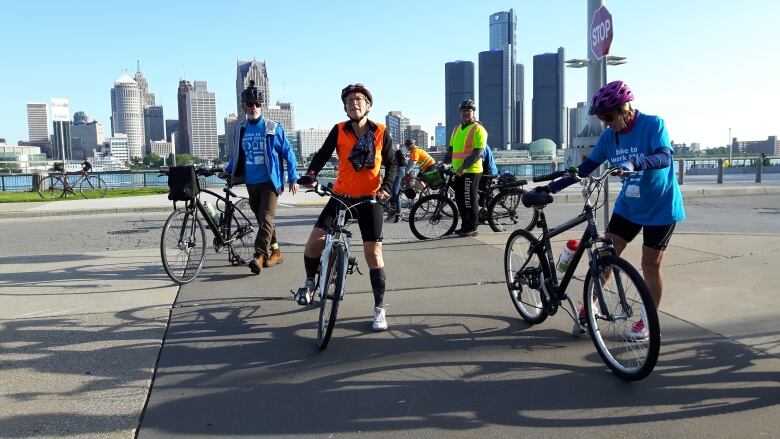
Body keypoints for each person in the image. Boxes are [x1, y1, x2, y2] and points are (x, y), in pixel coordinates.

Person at [536, 80, 685, 341]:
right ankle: (590, 306)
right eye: (602, 118)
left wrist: (634, 162)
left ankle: (647, 321)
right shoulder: (608, 137)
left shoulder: (653, 124)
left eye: (609, 117)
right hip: (628, 205)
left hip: (661, 206)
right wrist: (552, 188)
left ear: (625, 108)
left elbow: (665, 156)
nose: (606, 123)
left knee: (650, 264)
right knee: (606, 254)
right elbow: (585, 169)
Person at [294, 83, 397, 331]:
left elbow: (393, 164)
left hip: (370, 198)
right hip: (341, 196)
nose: (354, 102)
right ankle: (310, 282)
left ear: (369, 105)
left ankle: (379, 309)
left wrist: (386, 188)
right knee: (313, 244)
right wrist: (311, 173)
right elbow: (322, 154)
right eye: (350, 100)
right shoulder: (339, 130)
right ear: (345, 106)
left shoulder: (381, 132)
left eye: (359, 99)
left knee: (373, 254)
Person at [222, 80, 299, 275]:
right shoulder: (240, 129)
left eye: (257, 104)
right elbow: (237, 154)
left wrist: (293, 177)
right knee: (264, 220)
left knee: (265, 217)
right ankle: (276, 252)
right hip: (251, 182)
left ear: (261, 106)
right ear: (244, 107)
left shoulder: (273, 128)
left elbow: (288, 153)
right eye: (250, 105)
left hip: (270, 182)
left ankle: (259, 256)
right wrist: (228, 170)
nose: (254, 108)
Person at [440, 99, 488, 237]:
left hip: (471, 170)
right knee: (460, 199)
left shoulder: (478, 129)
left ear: (473, 112)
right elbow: (451, 150)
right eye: (464, 110)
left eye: (469, 110)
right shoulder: (456, 129)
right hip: (458, 171)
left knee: (469, 199)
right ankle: (464, 225)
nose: (466, 113)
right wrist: (444, 161)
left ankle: (472, 227)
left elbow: (478, 152)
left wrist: (464, 167)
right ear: (460, 112)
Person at [387, 144, 408, 223]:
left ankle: (398, 213)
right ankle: (394, 211)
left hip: (398, 172)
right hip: (397, 171)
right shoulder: (393, 151)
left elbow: (392, 163)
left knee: (395, 193)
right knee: (393, 192)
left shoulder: (392, 151)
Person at [478, 143, 498, 219]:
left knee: (484, 192)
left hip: (489, 172)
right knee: (483, 192)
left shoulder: (482, 146)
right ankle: (484, 212)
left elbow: (480, 161)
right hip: (485, 171)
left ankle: (489, 215)